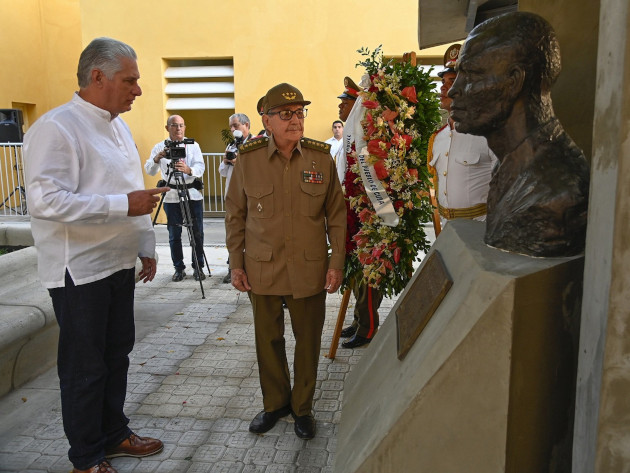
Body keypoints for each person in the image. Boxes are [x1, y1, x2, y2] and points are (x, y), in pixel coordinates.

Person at [23, 37, 166, 473]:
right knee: (85, 368)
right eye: (131, 80)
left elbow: (133, 187)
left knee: (115, 356)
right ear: (97, 77)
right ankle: (85, 458)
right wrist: (124, 206)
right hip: (79, 271)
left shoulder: (118, 126)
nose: (138, 90)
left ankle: (114, 433)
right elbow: (47, 202)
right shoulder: (56, 128)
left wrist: (145, 246)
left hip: (118, 264)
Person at [225, 83, 346, 440]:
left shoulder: (320, 158)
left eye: (300, 113)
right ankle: (275, 403)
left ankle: (302, 407)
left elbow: (336, 216)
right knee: (268, 340)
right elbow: (234, 215)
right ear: (267, 119)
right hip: (261, 268)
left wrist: (336, 262)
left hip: (309, 268)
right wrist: (236, 263)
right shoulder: (248, 160)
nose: (296, 120)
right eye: (286, 114)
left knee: (308, 341)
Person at [448, 12, 590, 257]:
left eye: (471, 74)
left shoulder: (557, 194)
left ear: (514, 81)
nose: (453, 90)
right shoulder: (510, 164)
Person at [335, 76, 384, 350]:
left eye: (345, 103)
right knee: (355, 273)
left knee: (367, 274)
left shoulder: (364, 136)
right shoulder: (349, 136)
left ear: (356, 106)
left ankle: (368, 328)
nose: (340, 108)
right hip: (349, 214)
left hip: (365, 213)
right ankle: (358, 319)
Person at [427, 44, 497, 228]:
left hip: (480, 231)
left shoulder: (487, 133)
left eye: (451, 82)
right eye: (443, 83)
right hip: (448, 230)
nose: (443, 89)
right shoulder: (438, 138)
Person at [145, 115, 207, 282]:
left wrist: (188, 170)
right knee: (174, 234)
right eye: (174, 125)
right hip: (171, 195)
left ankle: (198, 267)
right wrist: (157, 158)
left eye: (181, 125)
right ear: (167, 128)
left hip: (191, 194)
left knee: (197, 233)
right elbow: (149, 170)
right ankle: (178, 268)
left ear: (184, 127)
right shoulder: (160, 147)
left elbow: (201, 166)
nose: (178, 129)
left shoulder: (193, 145)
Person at [219, 113, 252, 283]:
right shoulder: (231, 146)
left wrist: (240, 162)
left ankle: (250, 267)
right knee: (232, 233)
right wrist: (226, 161)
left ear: (246, 125)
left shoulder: (255, 146)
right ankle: (232, 267)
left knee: (251, 234)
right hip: (232, 197)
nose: (233, 129)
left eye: (236, 125)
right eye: (231, 126)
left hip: (250, 198)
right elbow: (222, 172)